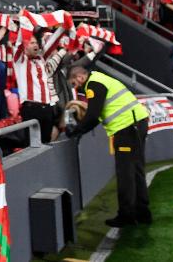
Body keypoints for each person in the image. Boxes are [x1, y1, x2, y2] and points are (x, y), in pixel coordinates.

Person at [67, 66, 151, 227]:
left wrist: (76, 131)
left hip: (126, 129)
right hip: (136, 124)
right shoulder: (101, 78)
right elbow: (98, 113)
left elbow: (93, 115)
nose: (76, 87)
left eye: (74, 83)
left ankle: (126, 215)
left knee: (125, 172)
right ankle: (143, 212)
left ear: (80, 77)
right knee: (136, 169)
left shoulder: (94, 84)